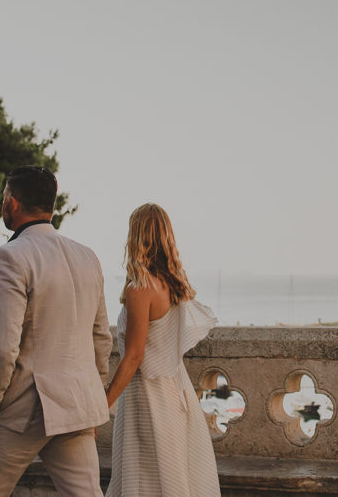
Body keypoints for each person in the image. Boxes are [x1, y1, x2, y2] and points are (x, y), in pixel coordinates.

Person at [0, 166, 111, 496]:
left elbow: (1, 349)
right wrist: (91, 401)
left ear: (12, 204)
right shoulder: (89, 257)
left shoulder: (8, 257)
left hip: (19, 410)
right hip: (75, 406)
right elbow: (101, 338)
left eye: (4, 197)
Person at [106, 203, 220, 497]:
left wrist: (103, 402)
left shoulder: (139, 288)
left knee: (143, 482)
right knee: (169, 482)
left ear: (136, 236)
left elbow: (134, 356)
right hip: (174, 394)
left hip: (147, 398)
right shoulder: (171, 284)